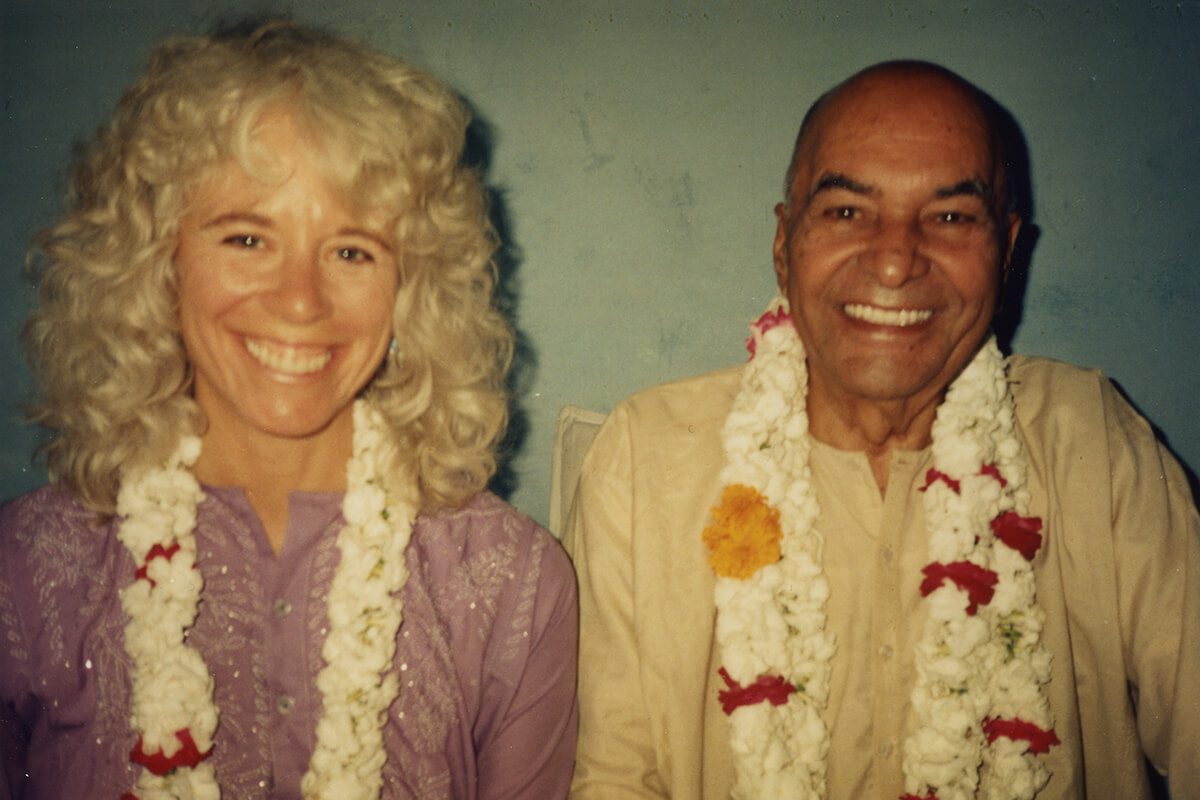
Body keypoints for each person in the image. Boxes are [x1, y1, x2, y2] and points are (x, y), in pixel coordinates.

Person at [566, 61, 1198, 799]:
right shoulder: (648, 457)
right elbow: (613, 780)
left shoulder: (1090, 441)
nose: (896, 261)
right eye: (846, 211)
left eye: (952, 216)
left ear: (1010, 248)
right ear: (783, 240)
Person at [0, 20, 577, 800]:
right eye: (246, 238)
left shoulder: (512, 585)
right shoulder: (27, 573)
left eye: (351, 251)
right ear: (157, 263)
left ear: (412, 287)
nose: (301, 301)